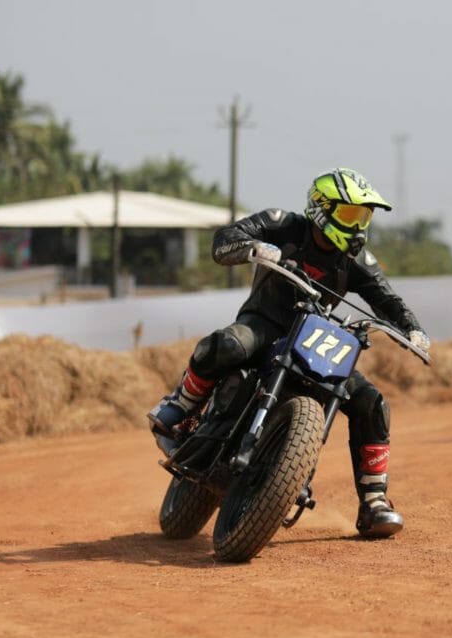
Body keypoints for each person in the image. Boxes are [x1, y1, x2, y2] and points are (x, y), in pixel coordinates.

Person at [147, 168, 430, 539]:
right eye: (349, 215)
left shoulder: (356, 260)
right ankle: (181, 405)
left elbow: (387, 298)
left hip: (316, 339)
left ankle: (374, 502)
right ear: (321, 210)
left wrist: (412, 328)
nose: (358, 227)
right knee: (226, 344)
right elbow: (224, 239)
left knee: (372, 403)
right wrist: (251, 247)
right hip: (265, 325)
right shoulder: (281, 224)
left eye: (363, 217)